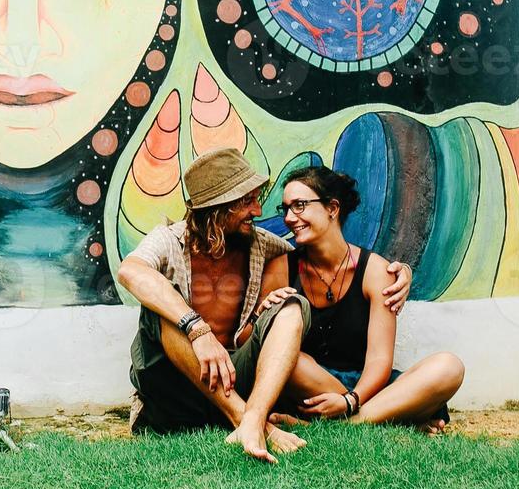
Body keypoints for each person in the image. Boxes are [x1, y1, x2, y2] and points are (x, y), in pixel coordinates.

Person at [116, 148, 413, 462]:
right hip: (177, 387)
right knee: (158, 309)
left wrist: (401, 272)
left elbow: (322, 259)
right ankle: (247, 420)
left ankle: (252, 419)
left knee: (290, 305)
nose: (258, 210)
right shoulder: (168, 241)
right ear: (218, 206)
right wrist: (197, 330)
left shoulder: (264, 247)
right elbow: (131, 271)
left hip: (234, 377)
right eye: (247, 201)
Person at [260, 166, 463, 433]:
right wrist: (263, 312)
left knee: (449, 367)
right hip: (310, 385)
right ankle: (397, 415)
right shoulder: (280, 269)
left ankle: (352, 422)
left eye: (299, 206)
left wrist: (349, 401)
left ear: (332, 208)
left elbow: (380, 361)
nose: (288, 218)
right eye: (285, 208)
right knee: (289, 359)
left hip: (367, 385)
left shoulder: (376, 271)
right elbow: (253, 346)